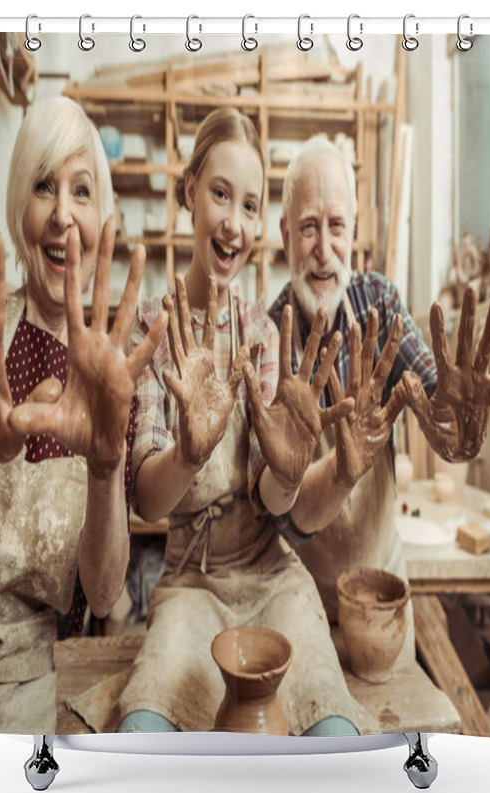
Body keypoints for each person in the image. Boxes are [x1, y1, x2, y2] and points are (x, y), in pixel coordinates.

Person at [0, 97, 165, 733]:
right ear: (20, 203)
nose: (62, 215)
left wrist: (105, 467)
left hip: (29, 692)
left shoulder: (108, 370)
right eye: (43, 186)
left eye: (82, 191)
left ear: (103, 217)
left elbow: (103, 596)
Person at [114, 108, 365, 736]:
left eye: (250, 206)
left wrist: (291, 467)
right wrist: (188, 456)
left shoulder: (262, 333)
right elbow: (147, 501)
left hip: (273, 580)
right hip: (190, 584)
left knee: (333, 735)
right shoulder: (152, 328)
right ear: (189, 194)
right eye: (220, 195)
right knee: (142, 731)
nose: (234, 222)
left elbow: (273, 499)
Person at [268, 136, 490, 655]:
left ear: (354, 229)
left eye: (336, 226)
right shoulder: (268, 337)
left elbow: (442, 414)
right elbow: (283, 512)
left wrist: (458, 428)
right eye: (308, 227)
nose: (324, 250)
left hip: (383, 595)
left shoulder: (380, 306)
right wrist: (338, 473)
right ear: (284, 234)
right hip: (294, 603)